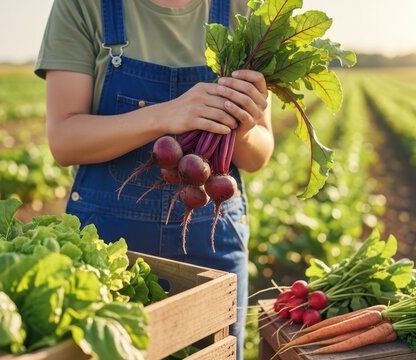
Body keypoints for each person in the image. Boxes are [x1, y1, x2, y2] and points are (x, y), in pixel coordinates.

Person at [34, 0, 274, 357]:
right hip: (107, 245)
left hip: (212, 239)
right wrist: (167, 115)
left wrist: (242, 124)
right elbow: (64, 140)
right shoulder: (84, 6)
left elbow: (258, 155)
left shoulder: (248, 9)